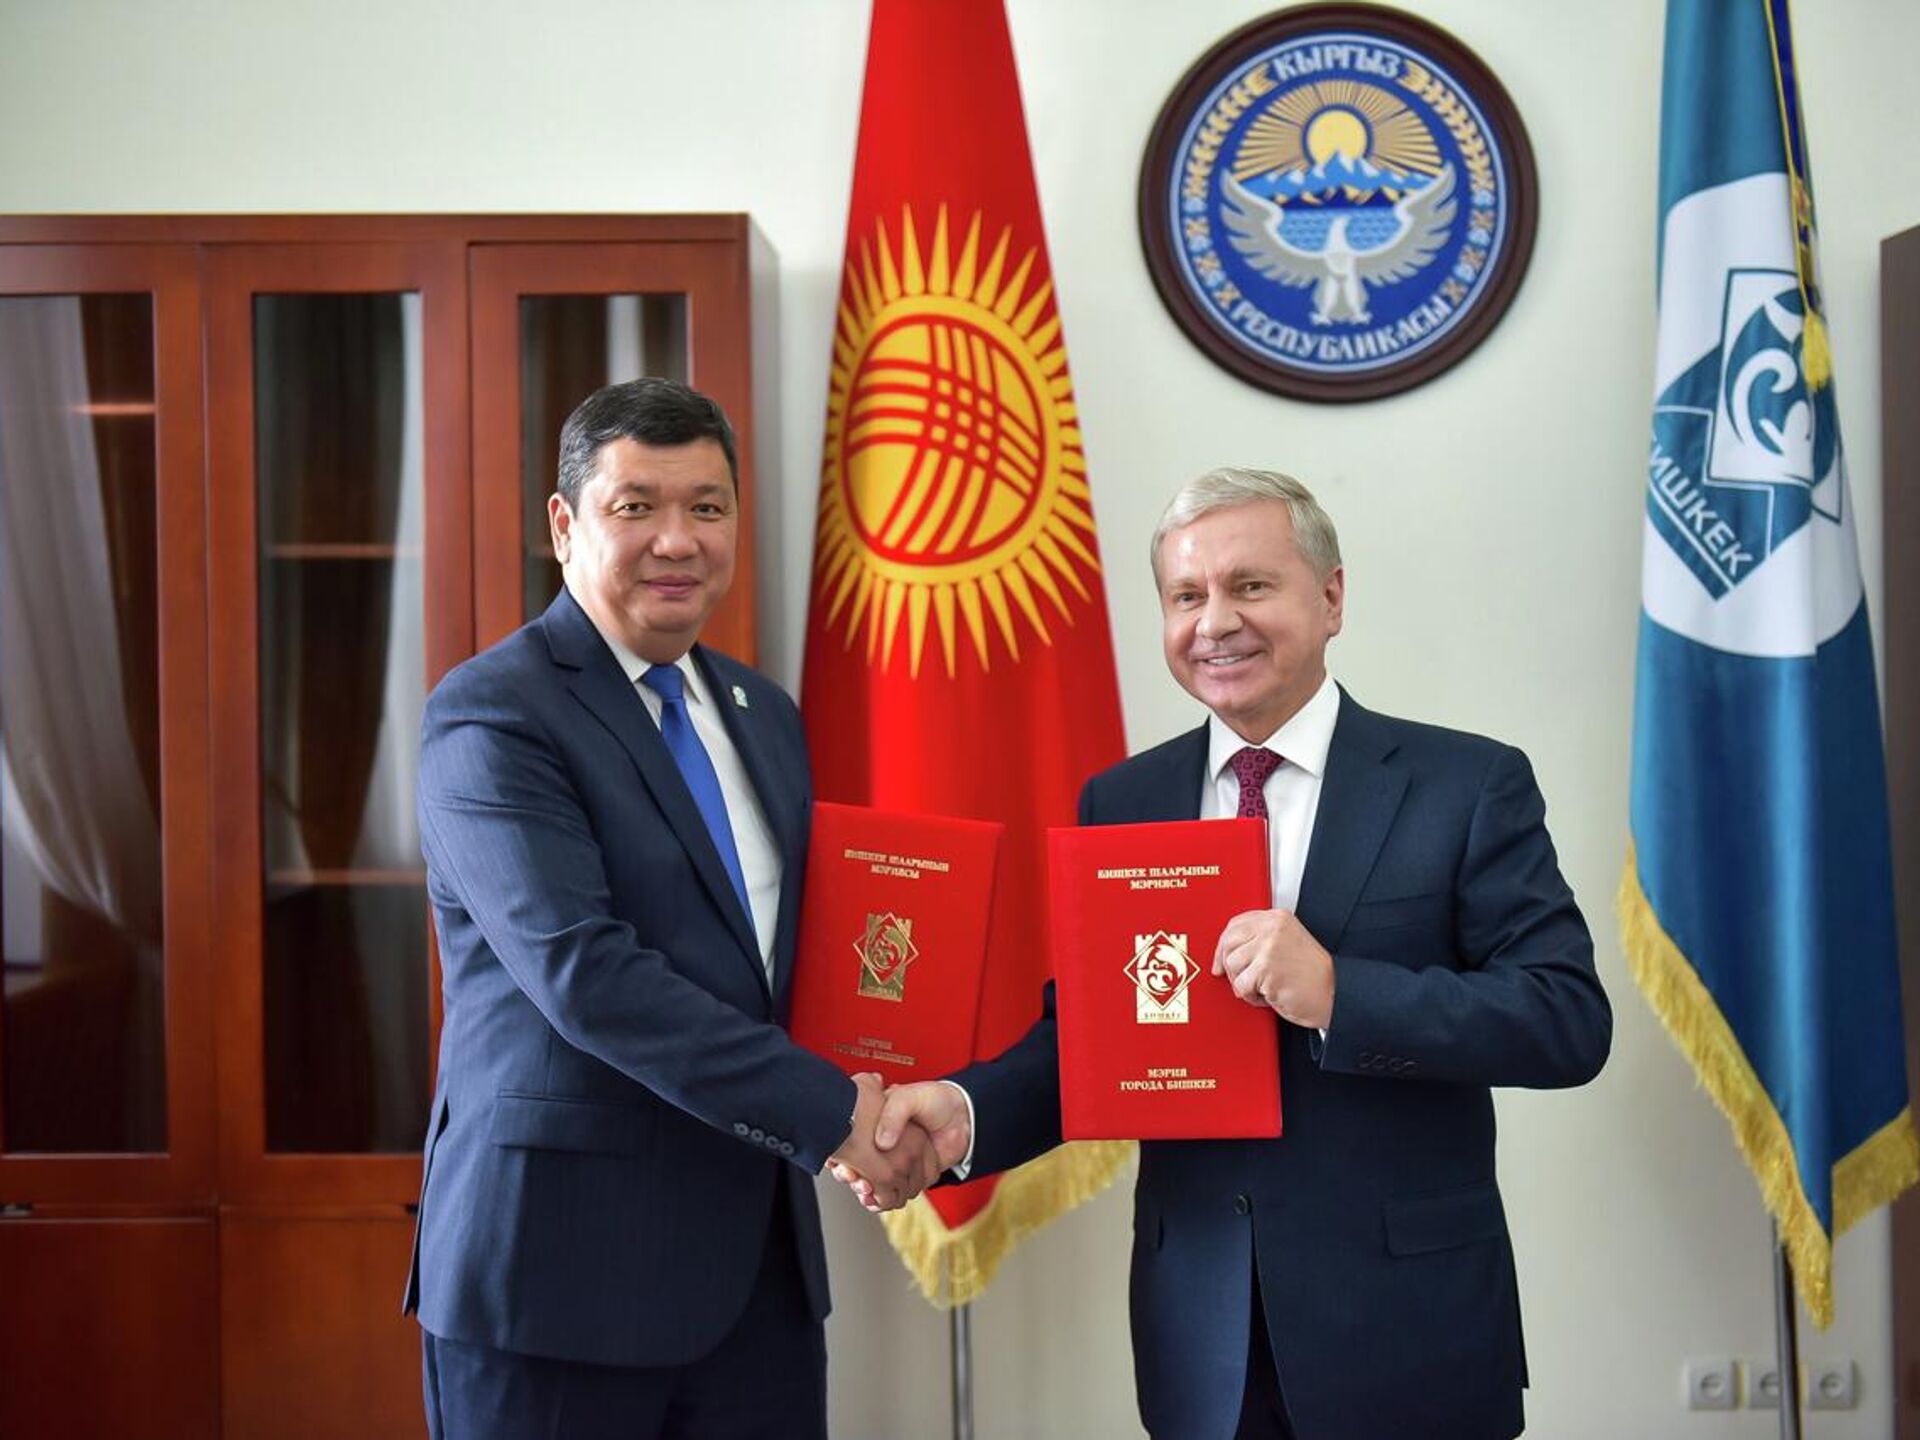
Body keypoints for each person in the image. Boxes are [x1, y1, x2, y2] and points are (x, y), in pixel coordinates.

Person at [851, 469, 1612, 1440]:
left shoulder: (1465, 784)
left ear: (1331, 597)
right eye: (1186, 596)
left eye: (1250, 585)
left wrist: (1339, 993)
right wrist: (962, 1115)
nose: (1216, 622)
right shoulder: (1123, 801)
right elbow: (1090, 1040)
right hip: (1202, 1340)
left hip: (1408, 1330)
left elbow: (1565, 1019)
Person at [405, 378, 940, 1440]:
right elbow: (585, 975)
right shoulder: (495, 711)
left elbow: (793, 962)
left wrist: (918, 1085)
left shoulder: (762, 713)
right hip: (561, 1283)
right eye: (636, 506)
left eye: (706, 507)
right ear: (565, 525)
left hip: (757, 1286)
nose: (677, 540)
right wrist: (840, 1114)